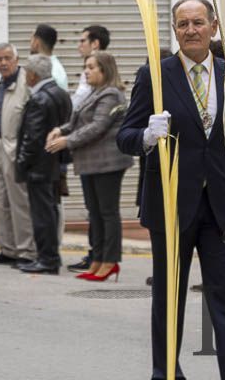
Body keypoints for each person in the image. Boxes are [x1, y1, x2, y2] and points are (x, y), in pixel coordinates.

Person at [118, 0, 225, 380]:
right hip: (171, 205)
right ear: (174, 30)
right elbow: (124, 136)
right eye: (182, 24)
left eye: (197, 22)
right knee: (168, 298)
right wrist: (145, 135)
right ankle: (165, 373)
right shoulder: (155, 76)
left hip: (223, 208)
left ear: (213, 25)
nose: (190, 30)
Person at [49, 50, 130, 281]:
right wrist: (61, 130)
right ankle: (97, 259)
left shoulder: (111, 94)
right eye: (86, 66)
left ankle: (110, 261)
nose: (86, 70)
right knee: (94, 213)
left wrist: (67, 141)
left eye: (92, 67)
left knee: (107, 212)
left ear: (105, 70)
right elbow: (77, 121)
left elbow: (97, 126)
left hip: (107, 163)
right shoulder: (94, 93)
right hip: (89, 163)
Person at [15, 54, 71, 274]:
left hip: (39, 166)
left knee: (41, 214)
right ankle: (50, 256)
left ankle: (47, 259)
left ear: (32, 74)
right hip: (55, 163)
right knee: (50, 211)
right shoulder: (61, 94)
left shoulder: (40, 98)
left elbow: (33, 138)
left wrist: (21, 164)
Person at [0, 43, 34, 266]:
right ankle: (7, 248)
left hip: (14, 148)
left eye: (7, 58)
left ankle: (26, 251)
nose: (3, 63)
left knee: (19, 202)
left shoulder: (26, 84)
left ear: (16, 60)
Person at [71, 25, 111, 108]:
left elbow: (80, 98)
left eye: (83, 41)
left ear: (95, 44)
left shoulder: (95, 73)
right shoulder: (108, 67)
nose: (79, 45)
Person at [30, 25, 69, 90]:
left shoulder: (50, 72)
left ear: (36, 42)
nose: (30, 44)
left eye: (31, 39)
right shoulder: (56, 69)